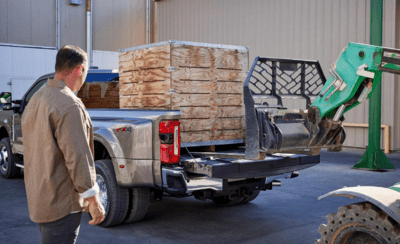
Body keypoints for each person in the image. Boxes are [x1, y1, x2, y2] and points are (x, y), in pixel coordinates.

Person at [21, 45, 106, 244]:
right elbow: (78, 157)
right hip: (61, 204)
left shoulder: (37, 98)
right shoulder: (68, 104)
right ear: (79, 70)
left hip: (41, 198)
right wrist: (93, 200)